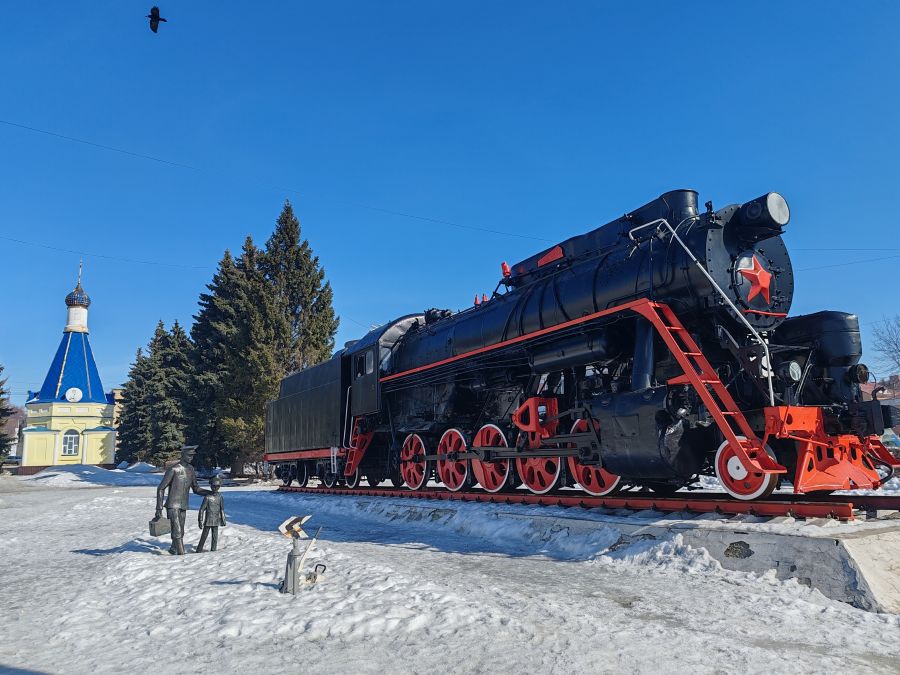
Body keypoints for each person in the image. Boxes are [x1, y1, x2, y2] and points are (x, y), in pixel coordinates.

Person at [155, 445, 209, 555]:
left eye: (192, 456)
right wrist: (159, 508)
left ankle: (174, 549)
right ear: (182, 455)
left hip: (183, 505)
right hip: (172, 505)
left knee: (181, 531)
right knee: (177, 531)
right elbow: (161, 488)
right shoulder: (173, 469)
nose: (191, 458)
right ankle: (181, 554)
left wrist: (210, 492)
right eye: (189, 455)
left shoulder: (191, 469)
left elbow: (196, 488)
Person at [197, 475, 226, 552]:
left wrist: (223, 519)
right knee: (204, 536)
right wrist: (200, 520)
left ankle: (213, 550)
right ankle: (199, 549)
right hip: (208, 520)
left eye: (217, 486)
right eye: (213, 486)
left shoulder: (220, 497)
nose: (215, 488)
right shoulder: (207, 497)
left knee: (215, 536)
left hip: (216, 520)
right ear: (211, 486)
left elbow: (222, 509)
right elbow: (202, 509)